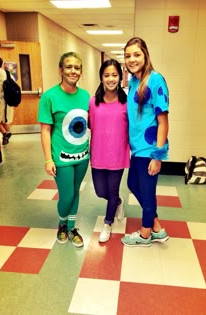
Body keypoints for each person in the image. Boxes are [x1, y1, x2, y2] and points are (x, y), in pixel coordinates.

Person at [121, 37, 169, 247]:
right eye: (128, 55)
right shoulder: (133, 81)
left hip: (149, 149)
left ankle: (145, 234)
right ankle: (157, 227)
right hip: (136, 148)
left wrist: (158, 155)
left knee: (147, 192)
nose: (132, 59)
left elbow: (163, 121)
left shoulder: (156, 80)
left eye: (136, 54)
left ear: (145, 55)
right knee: (133, 184)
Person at [38, 52, 90, 247]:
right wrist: (48, 159)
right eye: (68, 67)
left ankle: (71, 226)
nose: (73, 71)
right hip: (61, 156)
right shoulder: (50, 97)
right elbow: (45, 130)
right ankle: (62, 224)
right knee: (66, 194)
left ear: (81, 72)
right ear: (61, 70)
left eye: (77, 68)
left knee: (76, 191)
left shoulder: (86, 96)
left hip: (83, 155)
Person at [89, 59, 130, 243]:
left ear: (120, 77)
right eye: (107, 75)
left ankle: (107, 223)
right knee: (100, 191)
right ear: (101, 78)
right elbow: (88, 126)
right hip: (98, 155)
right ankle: (118, 202)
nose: (111, 79)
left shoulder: (127, 103)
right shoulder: (92, 102)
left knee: (112, 191)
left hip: (118, 156)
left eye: (114, 75)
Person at [0, 56, 13, 145]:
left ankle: (5, 133)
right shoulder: (6, 73)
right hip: (6, 100)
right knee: (5, 120)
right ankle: (6, 134)